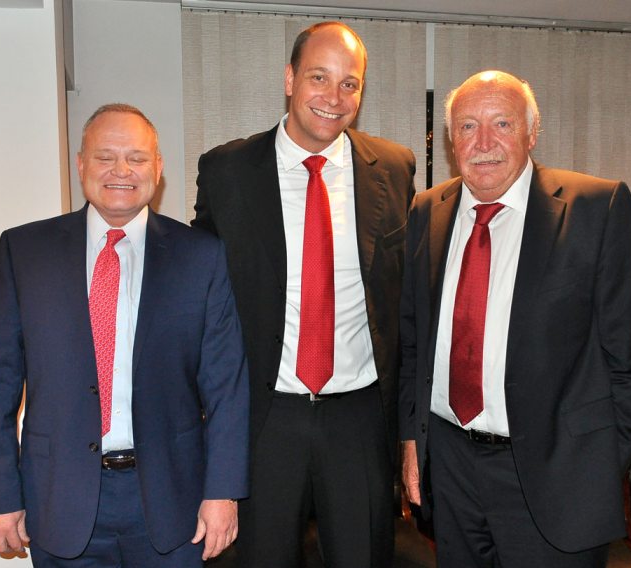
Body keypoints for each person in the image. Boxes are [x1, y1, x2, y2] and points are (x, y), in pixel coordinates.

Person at [0, 103, 249, 567]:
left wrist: (223, 492)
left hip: (174, 502)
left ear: (158, 168)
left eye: (137, 158)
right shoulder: (25, 251)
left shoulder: (201, 256)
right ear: (81, 164)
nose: (121, 170)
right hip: (58, 500)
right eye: (105, 157)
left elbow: (226, 385)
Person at [192, 21, 416, 568]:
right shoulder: (227, 171)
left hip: (360, 417)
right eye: (319, 77)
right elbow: (200, 293)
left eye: (349, 83)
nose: (334, 97)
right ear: (289, 79)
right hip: (265, 416)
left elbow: (405, 299)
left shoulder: (393, 168)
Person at [400, 70, 631, 567]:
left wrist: (598, 467)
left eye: (502, 124)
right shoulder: (427, 211)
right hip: (452, 469)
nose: (483, 142)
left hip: (556, 478)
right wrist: (412, 443)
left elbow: (628, 360)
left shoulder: (596, 208)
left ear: (532, 132)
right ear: (451, 140)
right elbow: (413, 344)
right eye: (468, 126)